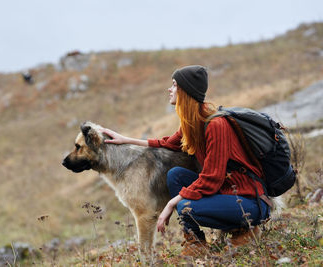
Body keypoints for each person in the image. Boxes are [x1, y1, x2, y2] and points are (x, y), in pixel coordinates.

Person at [102, 65, 271, 257]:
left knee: (185, 206)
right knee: (175, 175)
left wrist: (171, 203)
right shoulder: (192, 123)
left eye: (174, 85)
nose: (169, 89)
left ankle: (246, 230)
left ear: (186, 91)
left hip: (249, 201)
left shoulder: (216, 125)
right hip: (227, 194)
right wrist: (126, 140)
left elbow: (211, 179)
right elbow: (167, 143)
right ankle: (195, 242)